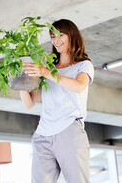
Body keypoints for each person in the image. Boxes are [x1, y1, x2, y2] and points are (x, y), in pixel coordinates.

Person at [20, 19, 94, 183]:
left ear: (72, 35)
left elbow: (79, 86)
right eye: (53, 36)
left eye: (61, 35)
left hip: (69, 130)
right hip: (43, 134)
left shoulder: (83, 65)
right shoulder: (47, 66)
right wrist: (20, 83)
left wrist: (45, 73)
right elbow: (29, 102)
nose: (56, 40)